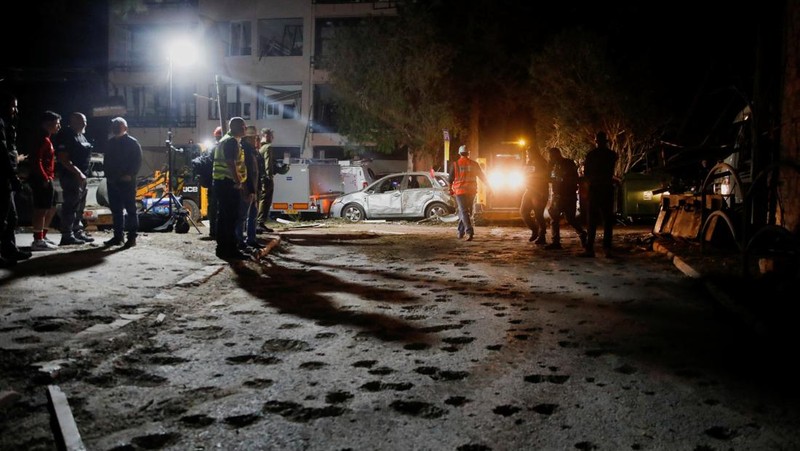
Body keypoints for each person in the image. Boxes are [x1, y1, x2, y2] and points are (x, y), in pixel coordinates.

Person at [0, 91, 32, 265]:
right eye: (12, 106)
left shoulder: (7, 124)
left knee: (11, 217)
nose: (15, 110)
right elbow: (3, 153)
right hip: (3, 177)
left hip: (7, 175)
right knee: (3, 218)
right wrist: (13, 177)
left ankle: (9, 250)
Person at [54, 112, 95, 245]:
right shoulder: (66, 135)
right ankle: (67, 235)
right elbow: (63, 158)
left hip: (82, 177)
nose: (85, 124)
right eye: (82, 121)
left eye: (85, 121)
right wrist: (78, 173)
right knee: (70, 206)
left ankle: (77, 231)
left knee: (79, 207)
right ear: (73, 121)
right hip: (71, 177)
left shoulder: (81, 136)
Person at [213, 117, 249, 260]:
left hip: (222, 183)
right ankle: (230, 249)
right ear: (235, 127)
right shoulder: (231, 141)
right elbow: (230, 162)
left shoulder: (225, 140)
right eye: (243, 126)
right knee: (230, 218)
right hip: (228, 183)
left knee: (224, 217)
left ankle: (223, 248)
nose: (245, 129)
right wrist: (238, 180)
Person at [104, 117, 143, 248]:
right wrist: (108, 176)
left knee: (131, 210)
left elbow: (137, 161)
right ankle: (118, 236)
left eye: (118, 125)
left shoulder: (132, 143)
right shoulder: (110, 143)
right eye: (114, 125)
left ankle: (132, 237)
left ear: (125, 128)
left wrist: (129, 175)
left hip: (127, 182)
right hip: (113, 181)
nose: (115, 128)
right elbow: (107, 161)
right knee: (116, 210)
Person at [580, 131, 618, 257]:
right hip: (607, 188)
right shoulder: (612, 154)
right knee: (607, 220)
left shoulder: (591, 155)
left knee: (592, 220)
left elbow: (586, 174)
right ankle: (607, 248)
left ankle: (590, 248)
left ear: (596, 141)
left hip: (595, 189)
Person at [29, 111, 62, 251]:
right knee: (41, 209)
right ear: (48, 124)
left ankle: (43, 235)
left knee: (52, 207)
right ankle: (37, 241)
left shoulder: (47, 139)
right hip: (42, 179)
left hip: (48, 178)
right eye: (57, 123)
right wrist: (44, 177)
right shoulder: (42, 139)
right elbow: (37, 160)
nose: (59, 126)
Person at [545, 147, 587, 250]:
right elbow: (548, 177)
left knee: (570, 218)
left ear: (557, 154)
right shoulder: (554, 165)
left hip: (568, 195)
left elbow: (572, 178)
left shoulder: (568, 163)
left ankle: (581, 233)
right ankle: (556, 242)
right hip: (558, 195)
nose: (551, 158)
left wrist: (561, 180)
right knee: (554, 217)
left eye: (552, 156)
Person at [448, 145, 489, 241]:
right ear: (468, 153)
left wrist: (450, 189)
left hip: (460, 191)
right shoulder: (474, 164)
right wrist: (489, 186)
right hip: (471, 191)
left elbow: (450, 179)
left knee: (464, 211)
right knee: (465, 212)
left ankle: (469, 232)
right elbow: (482, 176)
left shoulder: (455, 164)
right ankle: (460, 232)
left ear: (459, 153)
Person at [236, 125, 262, 252]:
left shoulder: (253, 152)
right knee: (242, 216)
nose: (256, 140)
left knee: (252, 216)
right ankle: (240, 241)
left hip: (253, 188)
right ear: (248, 139)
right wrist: (250, 190)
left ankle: (251, 240)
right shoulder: (245, 151)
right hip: (247, 189)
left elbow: (256, 172)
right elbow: (248, 172)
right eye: (254, 138)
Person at [519, 146, 549, 245]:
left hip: (539, 191)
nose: (528, 155)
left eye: (529, 153)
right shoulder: (529, 162)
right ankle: (535, 230)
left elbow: (545, 176)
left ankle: (542, 236)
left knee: (538, 214)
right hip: (529, 190)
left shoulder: (541, 162)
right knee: (523, 211)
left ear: (534, 152)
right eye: (527, 153)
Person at [205, 126, 223, 240]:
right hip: (220, 181)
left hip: (212, 182)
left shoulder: (210, 148)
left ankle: (213, 231)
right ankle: (218, 231)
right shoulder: (221, 147)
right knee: (220, 207)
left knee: (212, 207)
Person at [256, 128, 275, 233]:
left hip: (260, 177)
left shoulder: (260, 148)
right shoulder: (268, 147)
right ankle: (260, 222)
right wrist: (270, 176)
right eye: (271, 136)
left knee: (262, 199)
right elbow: (268, 163)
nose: (273, 138)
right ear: (267, 135)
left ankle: (259, 222)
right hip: (266, 178)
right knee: (266, 200)